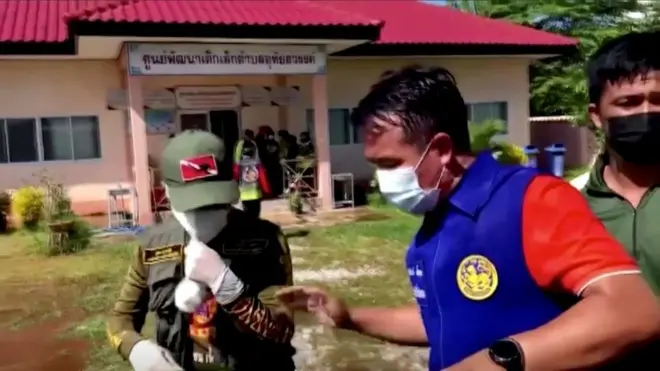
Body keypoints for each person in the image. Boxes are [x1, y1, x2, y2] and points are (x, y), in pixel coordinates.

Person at [276, 66, 660, 370]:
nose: (382, 179)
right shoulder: (435, 222)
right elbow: (444, 320)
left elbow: (632, 310)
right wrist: (350, 316)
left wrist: (498, 361)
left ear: (441, 149)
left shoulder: (531, 199)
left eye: (391, 164)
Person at [107, 130, 295, 371]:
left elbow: (282, 331)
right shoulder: (153, 245)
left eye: (215, 202)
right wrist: (137, 350)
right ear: (167, 192)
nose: (206, 212)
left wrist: (228, 287)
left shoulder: (265, 240)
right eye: (194, 205)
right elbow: (120, 318)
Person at [578, 31, 660, 294]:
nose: (646, 113)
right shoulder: (571, 206)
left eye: (659, 100)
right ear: (597, 115)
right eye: (629, 103)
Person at [233, 129, 271, 218]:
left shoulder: (238, 165)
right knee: (256, 216)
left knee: (247, 217)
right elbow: (263, 178)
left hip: (244, 194)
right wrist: (267, 190)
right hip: (256, 193)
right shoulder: (257, 163)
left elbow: (235, 176)